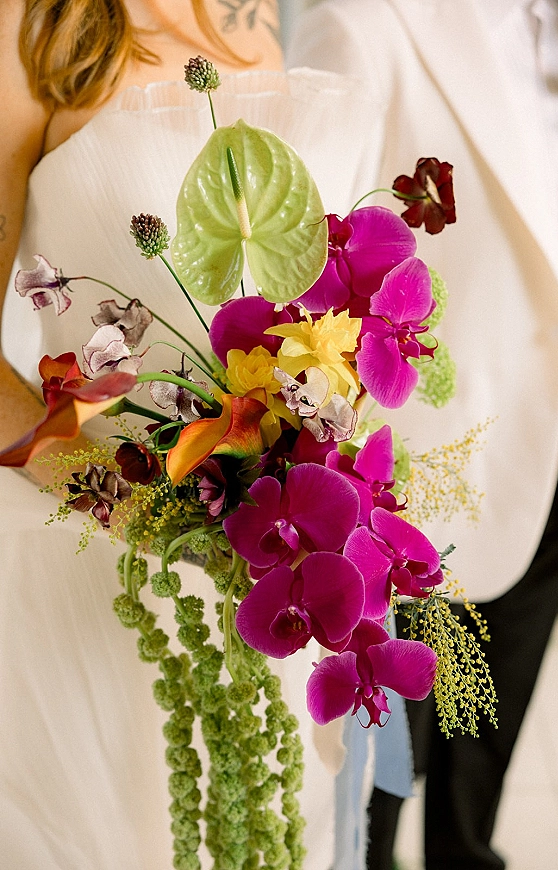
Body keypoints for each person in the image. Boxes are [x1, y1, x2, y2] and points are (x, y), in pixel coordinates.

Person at [0, 2, 383, 867]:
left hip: (270, 578)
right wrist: (134, 511)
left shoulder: (258, 17)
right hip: (106, 573)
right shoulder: (32, 28)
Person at [288, 1, 558, 868]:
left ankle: (466, 851)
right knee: (375, 776)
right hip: (421, 465)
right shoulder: (364, 18)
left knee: (494, 700)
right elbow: (308, 263)